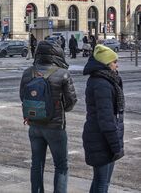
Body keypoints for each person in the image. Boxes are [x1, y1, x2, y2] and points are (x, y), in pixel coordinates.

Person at [19, 41, 77, 193]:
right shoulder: (62, 73)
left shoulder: (28, 72)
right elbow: (71, 101)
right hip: (55, 127)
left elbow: (22, 97)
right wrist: (59, 109)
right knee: (61, 166)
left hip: (34, 125)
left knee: (36, 165)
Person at [82, 45, 124, 193]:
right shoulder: (102, 83)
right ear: (106, 64)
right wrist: (116, 146)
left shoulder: (100, 80)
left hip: (99, 137)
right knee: (102, 184)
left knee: (99, 181)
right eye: (114, 62)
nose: (116, 64)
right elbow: (106, 120)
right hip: (102, 139)